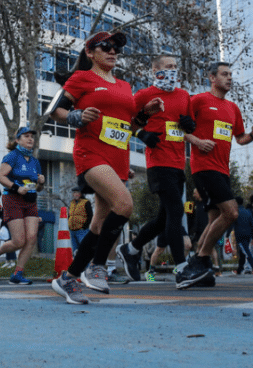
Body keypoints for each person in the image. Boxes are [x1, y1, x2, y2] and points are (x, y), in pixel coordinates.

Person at [48, 30, 163, 304]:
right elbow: (56, 110)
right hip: (91, 153)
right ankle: (98, 266)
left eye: (116, 49)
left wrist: (147, 113)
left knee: (99, 225)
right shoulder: (82, 78)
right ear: (90, 53)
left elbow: (128, 126)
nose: (112, 52)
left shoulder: (124, 87)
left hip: (118, 159)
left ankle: (68, 278)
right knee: (125, 205)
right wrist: (77, 115)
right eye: (105, 47)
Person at [177, 62, 253, 288]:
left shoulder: (233, 108)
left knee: (216, 218)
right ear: (212, 78)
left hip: (223, 169)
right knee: (232, 212)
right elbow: (176, 128)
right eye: (225, 74)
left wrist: (252, 136)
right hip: (204, 167)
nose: (229, 78)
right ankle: (201, 258)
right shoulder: (198, 100)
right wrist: (197, 141)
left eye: (231, 75)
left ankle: (197, 263)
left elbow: (240, 138)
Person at [117, 55, 195, 282]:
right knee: (176, 212)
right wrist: (142, 134)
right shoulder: (143, 96)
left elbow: (188, 123)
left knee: (164, 219)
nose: (173, 71)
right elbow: (125, 123)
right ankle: (182, 268)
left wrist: (190, 125)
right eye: (168, 67)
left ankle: (131, 248)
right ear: (155, 70)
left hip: (178, 162)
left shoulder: (183, 96)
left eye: (175, 67)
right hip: (157, 162)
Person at [0, 127, 46, 284]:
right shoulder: (12, 156)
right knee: (19, 241)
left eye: (32, 136)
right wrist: (17, 188)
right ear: (18, 140)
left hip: (30, 200)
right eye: (26, 136)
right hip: (13, 199)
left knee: (31, 238)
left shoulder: (34, 161)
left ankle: (17, 274)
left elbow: (39, 188)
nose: (30, 139)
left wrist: (41, 183)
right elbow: (0, 176)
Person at [67, 188, 92, 252]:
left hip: (82, 230)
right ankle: (76, 262)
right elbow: (70, 215)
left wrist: (84, 226)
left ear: (81, 194)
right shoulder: (72, 203)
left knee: (84, 249)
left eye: (77, 192)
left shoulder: (86, 202)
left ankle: (87, 262)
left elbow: (90, 215)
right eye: (74, 193)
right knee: (75, 251)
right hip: (72, 230)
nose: (75, 194)